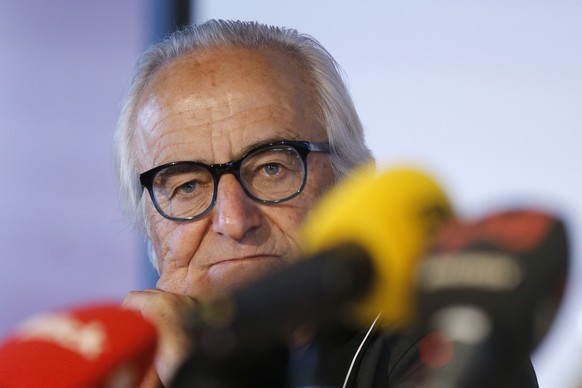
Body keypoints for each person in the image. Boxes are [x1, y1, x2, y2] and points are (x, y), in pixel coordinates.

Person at [115, 20, 538, 387]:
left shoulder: (449, 352)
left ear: (351, 187)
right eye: (188, 186)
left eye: (272, 168)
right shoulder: (118, 368)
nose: (233, 220)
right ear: (149, 225)